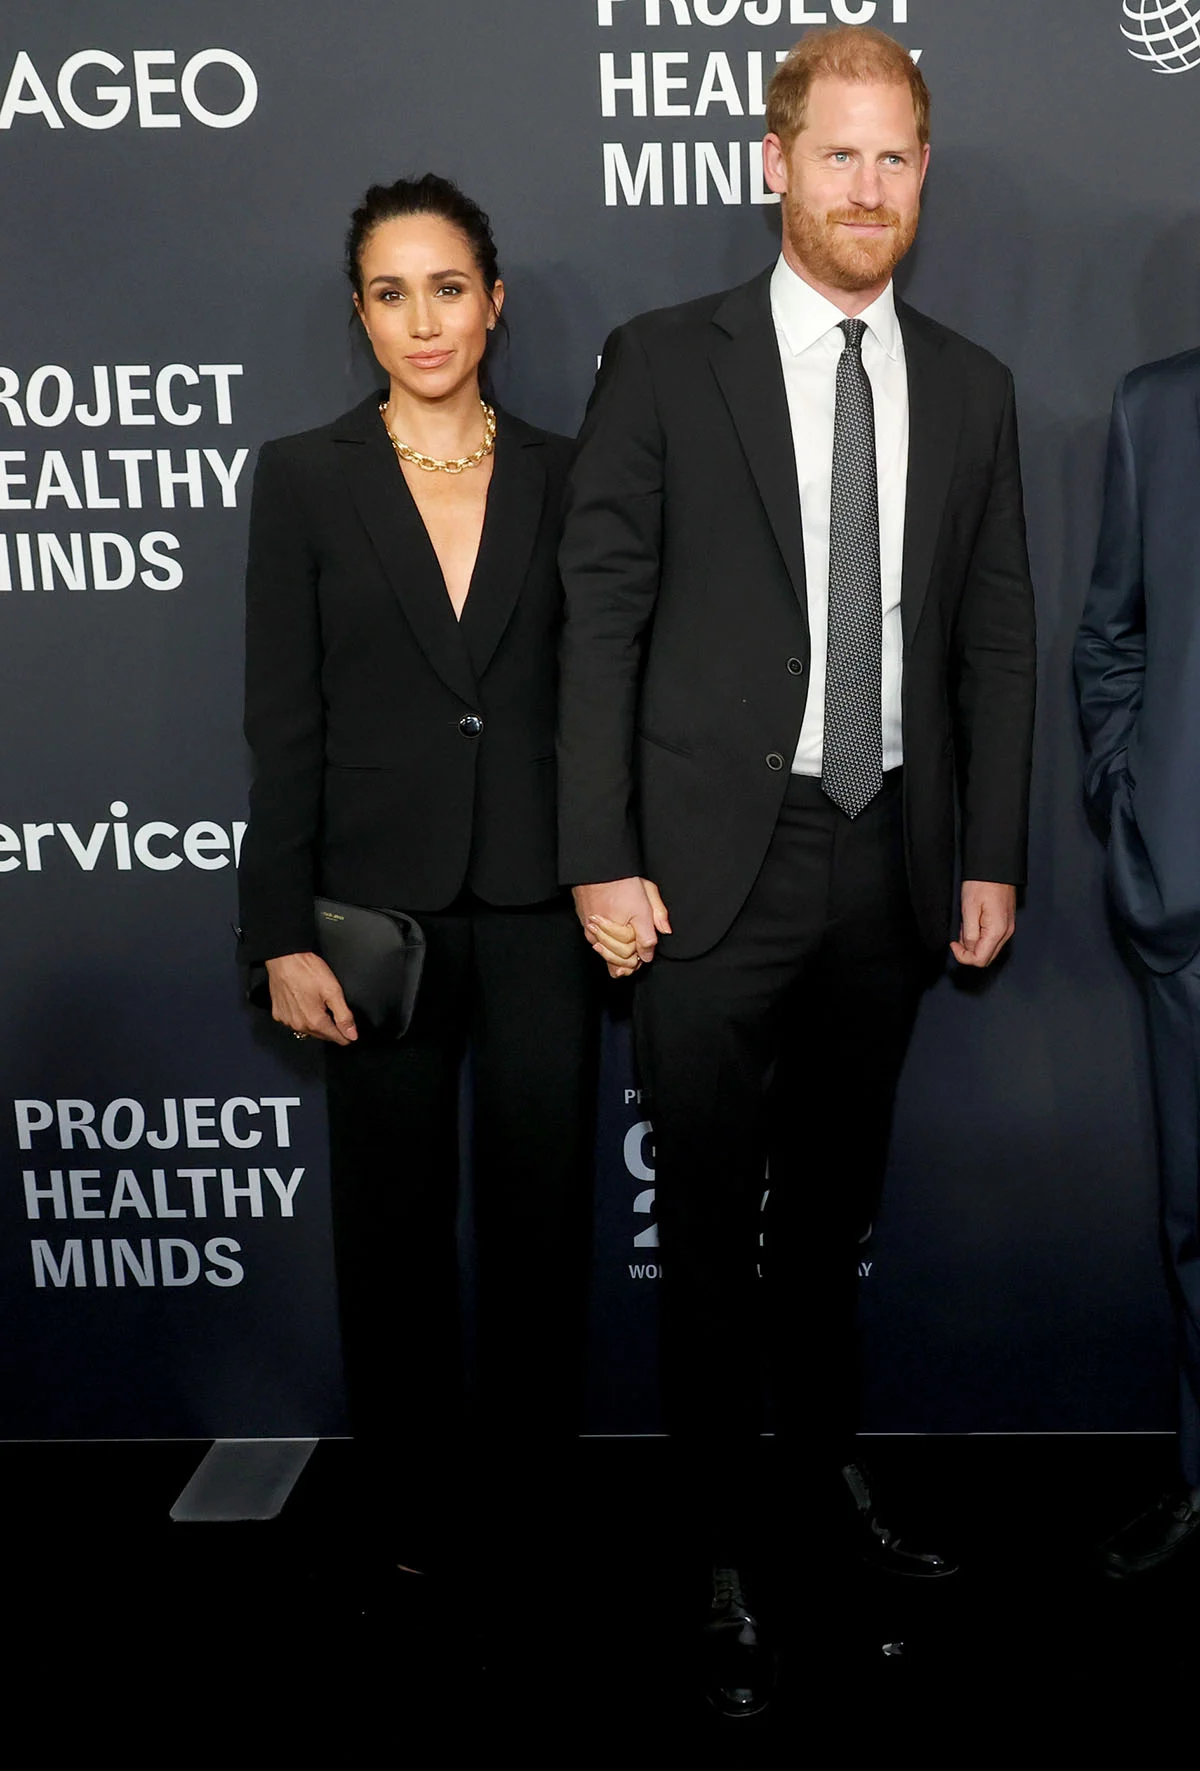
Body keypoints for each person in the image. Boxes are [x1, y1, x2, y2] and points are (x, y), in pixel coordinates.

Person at [558, 26, 1036, 1714]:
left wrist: (990, 850)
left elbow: (995, 637)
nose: (868, 187)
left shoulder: (970, 385)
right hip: (702, 872)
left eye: (895, 157)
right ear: (776, 164)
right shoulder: (662, 361)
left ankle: (823, 1480)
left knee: (830, 1218)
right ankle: (712, 1540)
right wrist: (599, 853)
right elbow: (600, 620)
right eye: (839, 154)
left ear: (925, 173)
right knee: (704, 1228)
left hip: (887, 855)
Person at [237, 174, 597, 1574]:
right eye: (392, 294)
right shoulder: (304, 476)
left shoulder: (572, 470)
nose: (424, 319)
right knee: (388, 1229)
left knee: (540, 1226)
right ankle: (409, 1508)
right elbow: (283, 725)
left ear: (493, 301)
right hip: (371, 918)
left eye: (448, 287)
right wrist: (280, 930)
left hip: (539, 908)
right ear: (361, 314)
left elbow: (606, 693)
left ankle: (532, 1499)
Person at [1076, 351, 1200, 1580]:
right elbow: (1110, 635)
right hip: (1194, 901)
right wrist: (1135, 804)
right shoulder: (1158, 408)